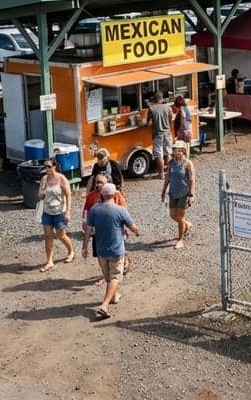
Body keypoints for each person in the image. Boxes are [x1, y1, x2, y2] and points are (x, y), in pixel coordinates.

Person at [83, 182, 139, 320]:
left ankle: (114, 297)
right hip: (116, 250)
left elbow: (88, 230)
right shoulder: (120, 210)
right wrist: (137, 231)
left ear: (102, 194)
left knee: (108, 277)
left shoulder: (95, 210)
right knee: (115, 277)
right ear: (114, 194)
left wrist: (84, 247)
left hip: (101, 251)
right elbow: (132, 227)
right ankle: (104, 305)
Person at [37, 158, 74, 273]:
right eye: (45, 166)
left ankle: (71, 251)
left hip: (59, 211)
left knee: (61, 235)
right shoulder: (44, 179)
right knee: (48, 236)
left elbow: (68, 195)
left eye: (49, 166)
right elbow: (39, 196)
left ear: (54, 167)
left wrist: (68, 212)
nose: (46, 169)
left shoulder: (61, 179)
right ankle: (49, 261)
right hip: (47, 211)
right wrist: (43, 190)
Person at [162, 140, 196, 249]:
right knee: (172, 215)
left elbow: (192, 180)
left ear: (182, 151)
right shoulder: (171, 163)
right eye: (173, 150)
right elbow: (168, 177)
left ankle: (180, 240)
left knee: (180, 217)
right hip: (173, 192)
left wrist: (191, 194)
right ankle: (186, 224)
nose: (173, 152)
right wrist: (163, 191)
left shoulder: (188, 163)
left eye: (176, 150)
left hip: (183, 193)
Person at [147, 93, 171, 176]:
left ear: (154, 99)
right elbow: (170, 118)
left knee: (159, 154)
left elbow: (148, 122)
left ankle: (161, 174)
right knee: (167, 153)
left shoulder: (151, 108)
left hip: (157, 134)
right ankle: (169, 173)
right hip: (167, 133)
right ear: (162, 99)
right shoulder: (167, 107)